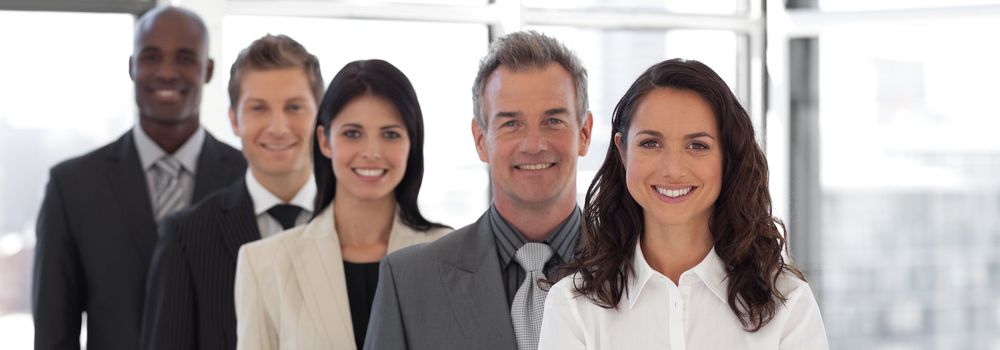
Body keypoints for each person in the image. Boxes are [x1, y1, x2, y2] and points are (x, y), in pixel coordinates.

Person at [538, 59, 829, 349]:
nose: (673, 169)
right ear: (623, 152)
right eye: (651, 143)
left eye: (697, 146)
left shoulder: (788, 304)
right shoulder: (573, 307)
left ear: (728, 159)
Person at [31, 6, 246, 350]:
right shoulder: (72, 187)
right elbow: (54, 335)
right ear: (132, 66)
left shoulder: (247, 178)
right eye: (151, 56)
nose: (167, 72)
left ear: (207, 70)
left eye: (185, 58)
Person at [365, 30, 593, 350]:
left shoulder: (638, 268)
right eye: (511, 123)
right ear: (480, 140)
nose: (533, 145)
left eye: (553, 121)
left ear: (584, 133)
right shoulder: (409, 282)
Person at [234, 59, 450, 350]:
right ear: (324, 140)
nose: (371, 152)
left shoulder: (450, 255)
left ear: (411, 144)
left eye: (390, 134)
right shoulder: (265, 264)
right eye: (352, 133)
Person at [139, 34, 323, 350]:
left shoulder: (354, 223)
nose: (278, 127)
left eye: (294, 107)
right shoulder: (187, 236)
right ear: (234, 121)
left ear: (321, 116)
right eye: (258, 108)